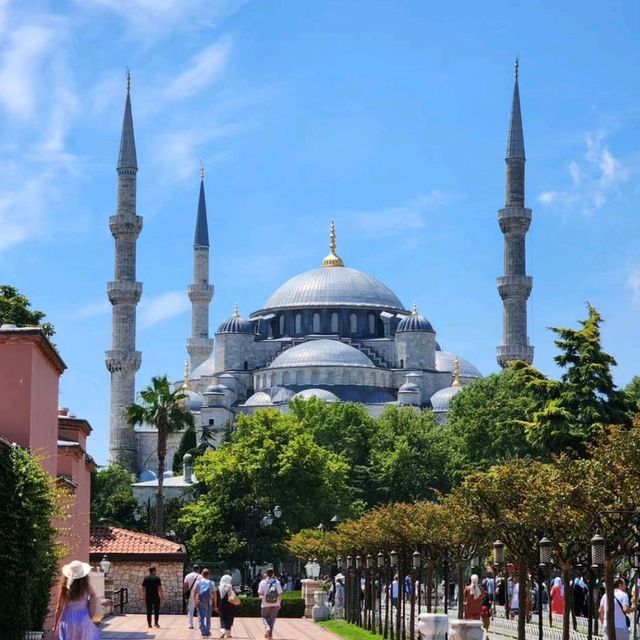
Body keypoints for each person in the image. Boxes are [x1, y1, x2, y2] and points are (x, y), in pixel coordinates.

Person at [52, 560, 100, 640]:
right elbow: (93, 595)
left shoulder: (64, 588)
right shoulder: (86, 586)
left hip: (68, 621)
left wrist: (55, 625)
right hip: (83, 620)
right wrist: (89, 603)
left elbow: (59, 608)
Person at [258, 568, 283, 639]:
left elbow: (260, 594)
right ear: (273, 574)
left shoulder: (262, 582)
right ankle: (270, 635)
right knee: (272, 619)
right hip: (275, 603)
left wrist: (262, 597)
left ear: (266, 574)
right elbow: (280, 594)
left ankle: (267, 628)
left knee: (264, 618)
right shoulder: (277, 582)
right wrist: (279, 603)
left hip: (265, 603)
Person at [194, 568, 217, 638]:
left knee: (201, 617)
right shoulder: (211, 583)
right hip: (209, 602)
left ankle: (203, 633)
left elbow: (195, 593)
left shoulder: (198, 582)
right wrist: (215, 604)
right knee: (208, 617)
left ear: (202, 574)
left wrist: (195, 603)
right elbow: (215, 594)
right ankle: (207, 632)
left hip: (201, 602)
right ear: (209, 574)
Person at [219, 573, 239, 638]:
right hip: (230, 605)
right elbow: (236, 594)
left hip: (222, 605)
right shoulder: (230, 587)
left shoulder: (220, 587)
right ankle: (228, 633)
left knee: (223, 618)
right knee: (230, 618)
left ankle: (222, 630)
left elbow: (217, 597)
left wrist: (216, 606)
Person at [184, 564, 203, 629]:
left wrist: (186, 594)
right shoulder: (200, 576)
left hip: (190, 594)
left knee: (191, 609)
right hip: (198, 594)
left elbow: (185, 586)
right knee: (199, 609)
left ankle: (190, 624)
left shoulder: (188, 576)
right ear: (198, 569)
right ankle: (200, 624)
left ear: (193, 569)